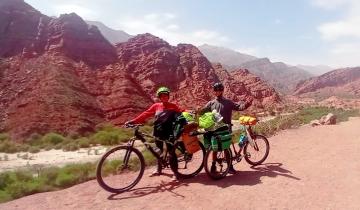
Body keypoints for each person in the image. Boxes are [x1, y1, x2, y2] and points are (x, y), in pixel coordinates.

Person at [125, 86, 184, 176]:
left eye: (166, 95)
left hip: (169, 132)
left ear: (168, 96)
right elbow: (145, 114)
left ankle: (175, 173)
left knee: (171, 152)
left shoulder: (173, 106)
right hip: (158, 131)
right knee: (158, 151)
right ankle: (158, 170)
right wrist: (133, 121)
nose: (164, 97)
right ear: (159, 97)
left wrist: (188, 112)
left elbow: (181, 112)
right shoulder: (156, 106)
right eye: (162, 96)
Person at [199, 82, 252, 174]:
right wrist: (197, 112)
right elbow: (202, 112)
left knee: (226, 147)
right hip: (214, 129)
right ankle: (213, 166)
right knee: (214, 148)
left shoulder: (228, 102)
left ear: (222, 91)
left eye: (219, 90)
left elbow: (239, 107)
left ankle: (230, 166)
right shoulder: (211, 103)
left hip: (226, 129)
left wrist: (247, 104)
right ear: (213, 91)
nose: (217, 92)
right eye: (215, 90)